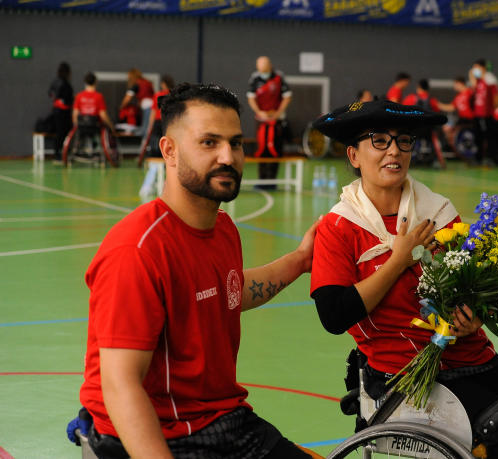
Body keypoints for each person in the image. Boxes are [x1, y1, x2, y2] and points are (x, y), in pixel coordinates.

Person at [309, 100, 498, 459]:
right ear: (354, 156)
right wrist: (399, 259)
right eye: (379, 141)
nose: (394, 151)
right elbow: (334, 315)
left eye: (404, 141)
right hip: (402, 370)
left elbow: (470, 285)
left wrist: (475, 314)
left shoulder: (437, 211)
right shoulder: (338, 227)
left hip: (470, 354)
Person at [78, 83, 321, 459]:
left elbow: (229, 291)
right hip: (159, 433)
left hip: (222, 419)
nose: (228, 156)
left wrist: (301, 260)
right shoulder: (137, 250)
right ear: (169, 151)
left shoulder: (223, 229)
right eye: (209, 142)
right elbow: (120, 384)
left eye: (236, 143)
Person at [247, 56, 292, 191]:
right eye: (261, 69)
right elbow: (251, 98)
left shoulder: (279, 77)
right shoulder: (255, 78)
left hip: (276, 120)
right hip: (261, 121)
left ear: (270, 66)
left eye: (265, 69)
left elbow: (287, 96)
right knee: (262, 149)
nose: (263, 72)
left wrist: (278, 113)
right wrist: (259, 112)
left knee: (275, 149)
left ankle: (273, 181)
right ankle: (262, 180)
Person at [138, 74, 174, 165]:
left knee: (156, 140)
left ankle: (156, 156)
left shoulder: (158, 95)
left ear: (163, 84)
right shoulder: (173, 95)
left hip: (158, 122)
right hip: (170, 121)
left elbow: (153, 112)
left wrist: (150, 126)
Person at [468, 59, 498, 163]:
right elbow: (473, 88)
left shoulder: (490, 79)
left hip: (487, 114)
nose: (474, 70)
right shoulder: (479, 81)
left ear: (483, 67)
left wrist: (493, 109)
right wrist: (471, 75)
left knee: (490, 136)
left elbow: (496, 96)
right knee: (478, 136)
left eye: (476, 67)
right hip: (478, 113)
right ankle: (478, 158)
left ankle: (491, 158)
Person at [442, 76, 474, 155]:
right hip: (462, 119)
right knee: (447, 129)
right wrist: (437, 104)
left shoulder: (470, 93)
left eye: (455, 84)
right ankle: (454, 149)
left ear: (460, 83)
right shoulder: (458, 97)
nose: (454, 86)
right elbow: (451, 107)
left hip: (471, 119)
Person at [48, 61, 74, 161]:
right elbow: (68, 99)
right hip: (63, 112)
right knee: (62, 133)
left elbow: (50, 94)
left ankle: (60, 153)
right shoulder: (64, 84)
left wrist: (57, 101)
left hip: (57, 111)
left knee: (60, 133)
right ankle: (60, 153)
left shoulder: (55, 82)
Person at [120, 68, 155, 135]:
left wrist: (121, 106)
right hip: (152, 106)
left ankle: (146, 143)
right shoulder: (147, 82)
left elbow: (127, 98)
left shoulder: (137, 84)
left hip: (147, 107)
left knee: (146, 129)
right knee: (148, 127)